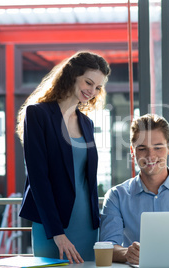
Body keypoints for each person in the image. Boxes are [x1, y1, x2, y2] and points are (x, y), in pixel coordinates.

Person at [17, 51, 111, 263]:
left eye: (98, 87)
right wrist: (57, 234)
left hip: (87, 223)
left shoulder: (86, 123)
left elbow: (86, 178)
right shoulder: (37, 114)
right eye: (88, 82)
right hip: (52, 224)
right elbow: (37, 178)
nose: (92, 91)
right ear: (72, 75)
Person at [99, 114, 169, 265]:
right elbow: (107, 247)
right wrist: (128, 253)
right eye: (142, 149)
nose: (150, 155)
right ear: (133, 152)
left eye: (158, 148)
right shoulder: (116, 196)